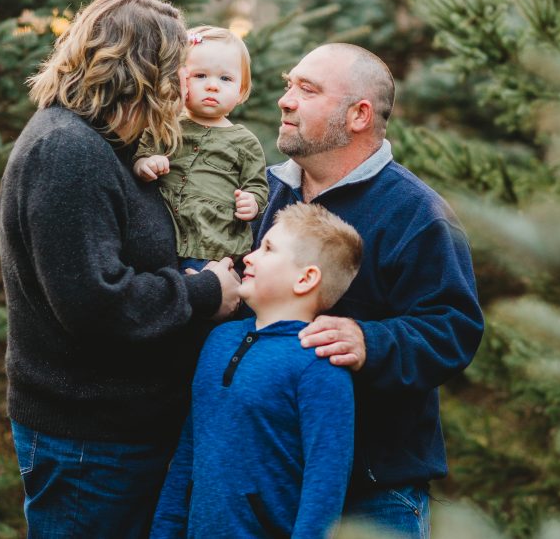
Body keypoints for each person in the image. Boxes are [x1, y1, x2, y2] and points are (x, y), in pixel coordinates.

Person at [0, 0, 241, 539]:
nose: (183, 84)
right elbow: (96, 302)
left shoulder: (110, 145)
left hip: (120, 432)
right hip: (90, 443)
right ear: (143, 71)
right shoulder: (67, 151)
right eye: (177, 69)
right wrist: (206, 292)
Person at [253, 43, 485, 537]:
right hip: (265, 476)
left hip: (373, 493)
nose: (285, 100)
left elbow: (453, 329)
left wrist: (370, 341)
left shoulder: (418, 214)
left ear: (358, 115)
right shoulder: (262, 194)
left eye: (307, 90)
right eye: (289, 84)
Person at [150, 203, 362, 539]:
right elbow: (189, 451)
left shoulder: (319, 364)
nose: (249, 257)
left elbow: (325, 484)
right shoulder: (219, 340)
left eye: (268, 249)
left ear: (306, 278)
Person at [133, 26, 268, 272]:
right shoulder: (167, 125)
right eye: (200, 75)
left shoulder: (244, 142)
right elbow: (142, 154)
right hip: (160, 239)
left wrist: (253, 202)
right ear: (180, 80)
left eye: (225, 79)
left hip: (212, 248)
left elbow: (257, 186)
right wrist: (145, 164)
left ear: (241, 91)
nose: (212, 86)